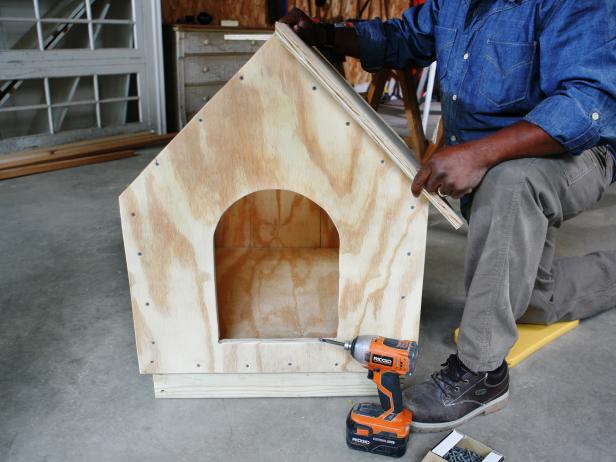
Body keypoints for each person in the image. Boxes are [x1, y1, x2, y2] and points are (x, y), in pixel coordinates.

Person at [281, 0, 616, 432]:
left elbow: (585, 108)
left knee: (510, 183)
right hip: (493, 159)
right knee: (529, 299)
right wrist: (323, 33)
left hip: (575, 154)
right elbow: (400, 39)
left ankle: (482, 373)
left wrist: (479, 155)